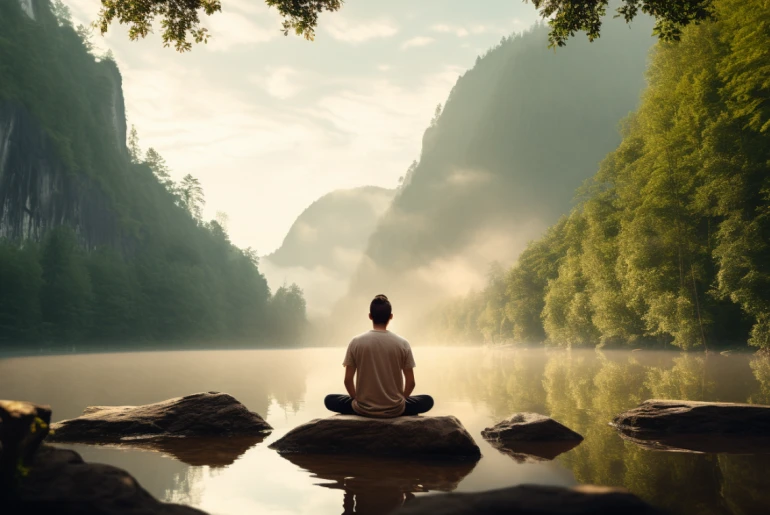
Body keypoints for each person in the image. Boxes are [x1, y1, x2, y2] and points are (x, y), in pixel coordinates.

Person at [324, 294, 434, 417]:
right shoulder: (403, 343)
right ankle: (396, 406)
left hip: (363, 408)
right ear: (391, 317)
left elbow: (348, 380)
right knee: (427, 401)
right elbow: (411, 382)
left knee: (329, 400)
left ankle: (361, 406)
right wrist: (401, 401)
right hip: (395, 409)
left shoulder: (356, 342)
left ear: (370, 316)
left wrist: (356, 400)